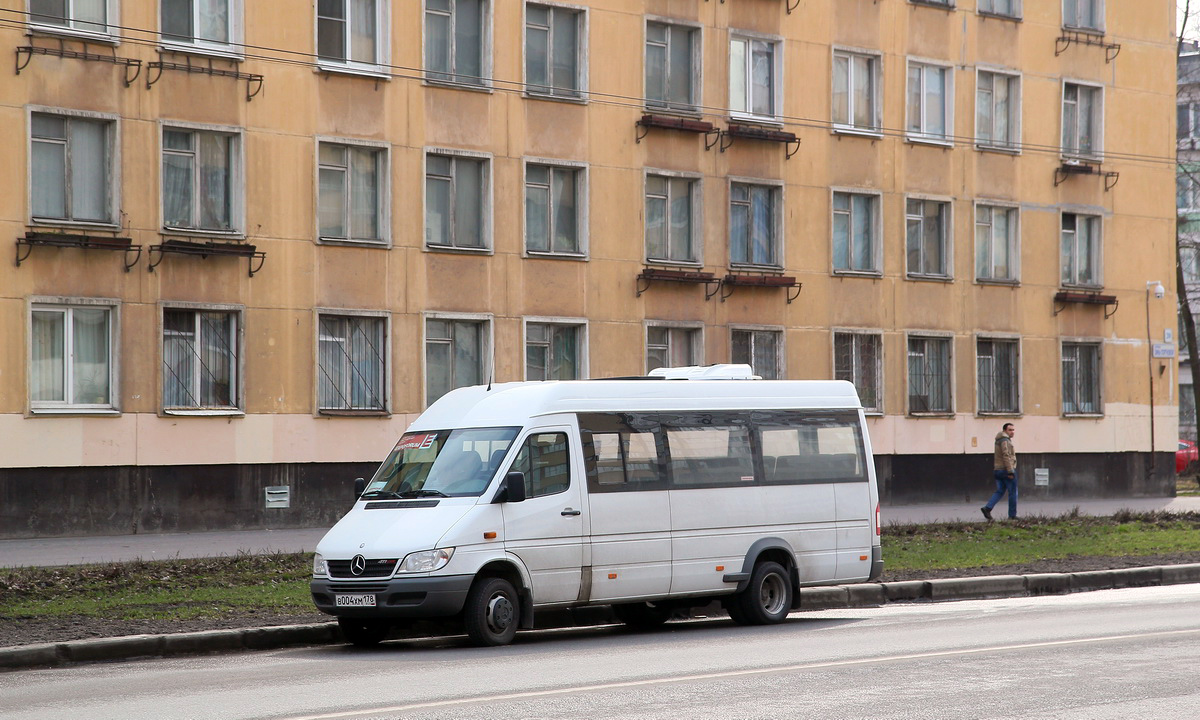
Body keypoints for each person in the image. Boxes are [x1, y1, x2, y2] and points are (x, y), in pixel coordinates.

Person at [981, 423, 1017, 520]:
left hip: (997, 469)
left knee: (1000, 491)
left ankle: (987, 508)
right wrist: (1010, 471)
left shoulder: (998, 440)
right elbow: (1006, 455)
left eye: (1013, 430)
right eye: (1010, 430)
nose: (1012, 432)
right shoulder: (1005, 441)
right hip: (1005, 470)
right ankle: (1012, 515)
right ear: (1005, 430)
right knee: (1013, 492)